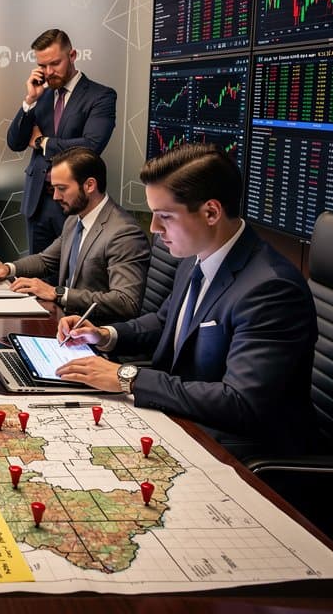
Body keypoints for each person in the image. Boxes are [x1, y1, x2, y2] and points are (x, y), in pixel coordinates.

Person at [55, 143, 317, 460]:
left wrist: (128, 378)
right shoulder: (197, 255)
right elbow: (167, 322)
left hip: (239, 449)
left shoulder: (271, 289)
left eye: (165, 216)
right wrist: (105, 334)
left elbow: (240, 403)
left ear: (210, 212)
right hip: (183, 418)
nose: (154, 229)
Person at [0, 147, 149, 323]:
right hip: (65, 323)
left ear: (90, 185)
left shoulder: (124, 233)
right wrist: (8, 268)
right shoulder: (75, 218)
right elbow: (46, 260)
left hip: (94, 334)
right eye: (53, 188)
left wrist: (58, 293)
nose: (55, 196)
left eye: (62, 188)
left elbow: (126, 302)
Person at [7, 29, 116, 254]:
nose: (48, 72)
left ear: (72, 55)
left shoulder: (100, 96)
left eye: (55, 63)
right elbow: (15, 142)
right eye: (43, 66)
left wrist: (42, 142)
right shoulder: (41, 96)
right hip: (38, 202)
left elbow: (90, 146)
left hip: (74, 203)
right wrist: (29, 101)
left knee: (70, 274)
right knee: (37, 272)